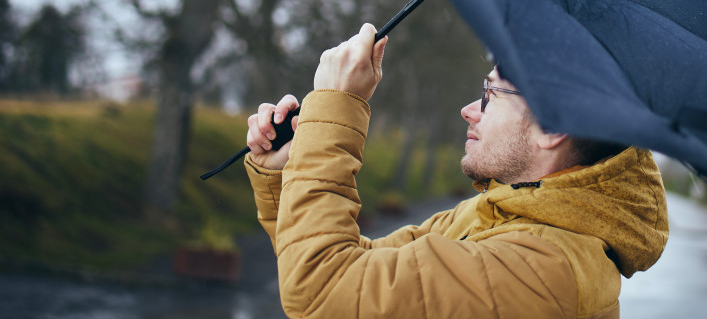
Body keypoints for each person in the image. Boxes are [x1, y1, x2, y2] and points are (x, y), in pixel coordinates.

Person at [245, 24, 668, 319]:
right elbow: (349, 268)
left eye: (490, 95)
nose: (469, 110)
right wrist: (284, 175)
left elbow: (321, 290)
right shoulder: (500, 215)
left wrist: (336, 106)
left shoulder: (543, 271)